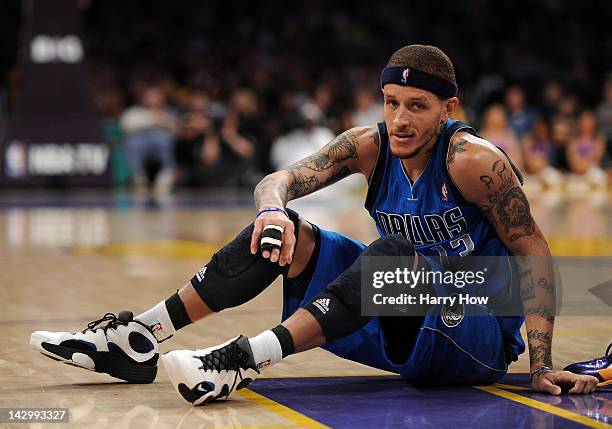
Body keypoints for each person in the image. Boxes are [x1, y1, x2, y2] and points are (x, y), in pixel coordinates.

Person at [30, 45, 600, 405]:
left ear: (448, 110)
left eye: (417, 106)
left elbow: (534, 252)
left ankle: (243, 360)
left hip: (472, 329)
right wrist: (271, 211)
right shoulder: (369, 148)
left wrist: (541, 363)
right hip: (397, 309)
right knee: (289, 233)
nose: (400, 119)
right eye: (391, 101)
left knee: (393, 252)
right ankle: (140, 339)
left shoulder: (475, 162)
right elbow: (276, 179)